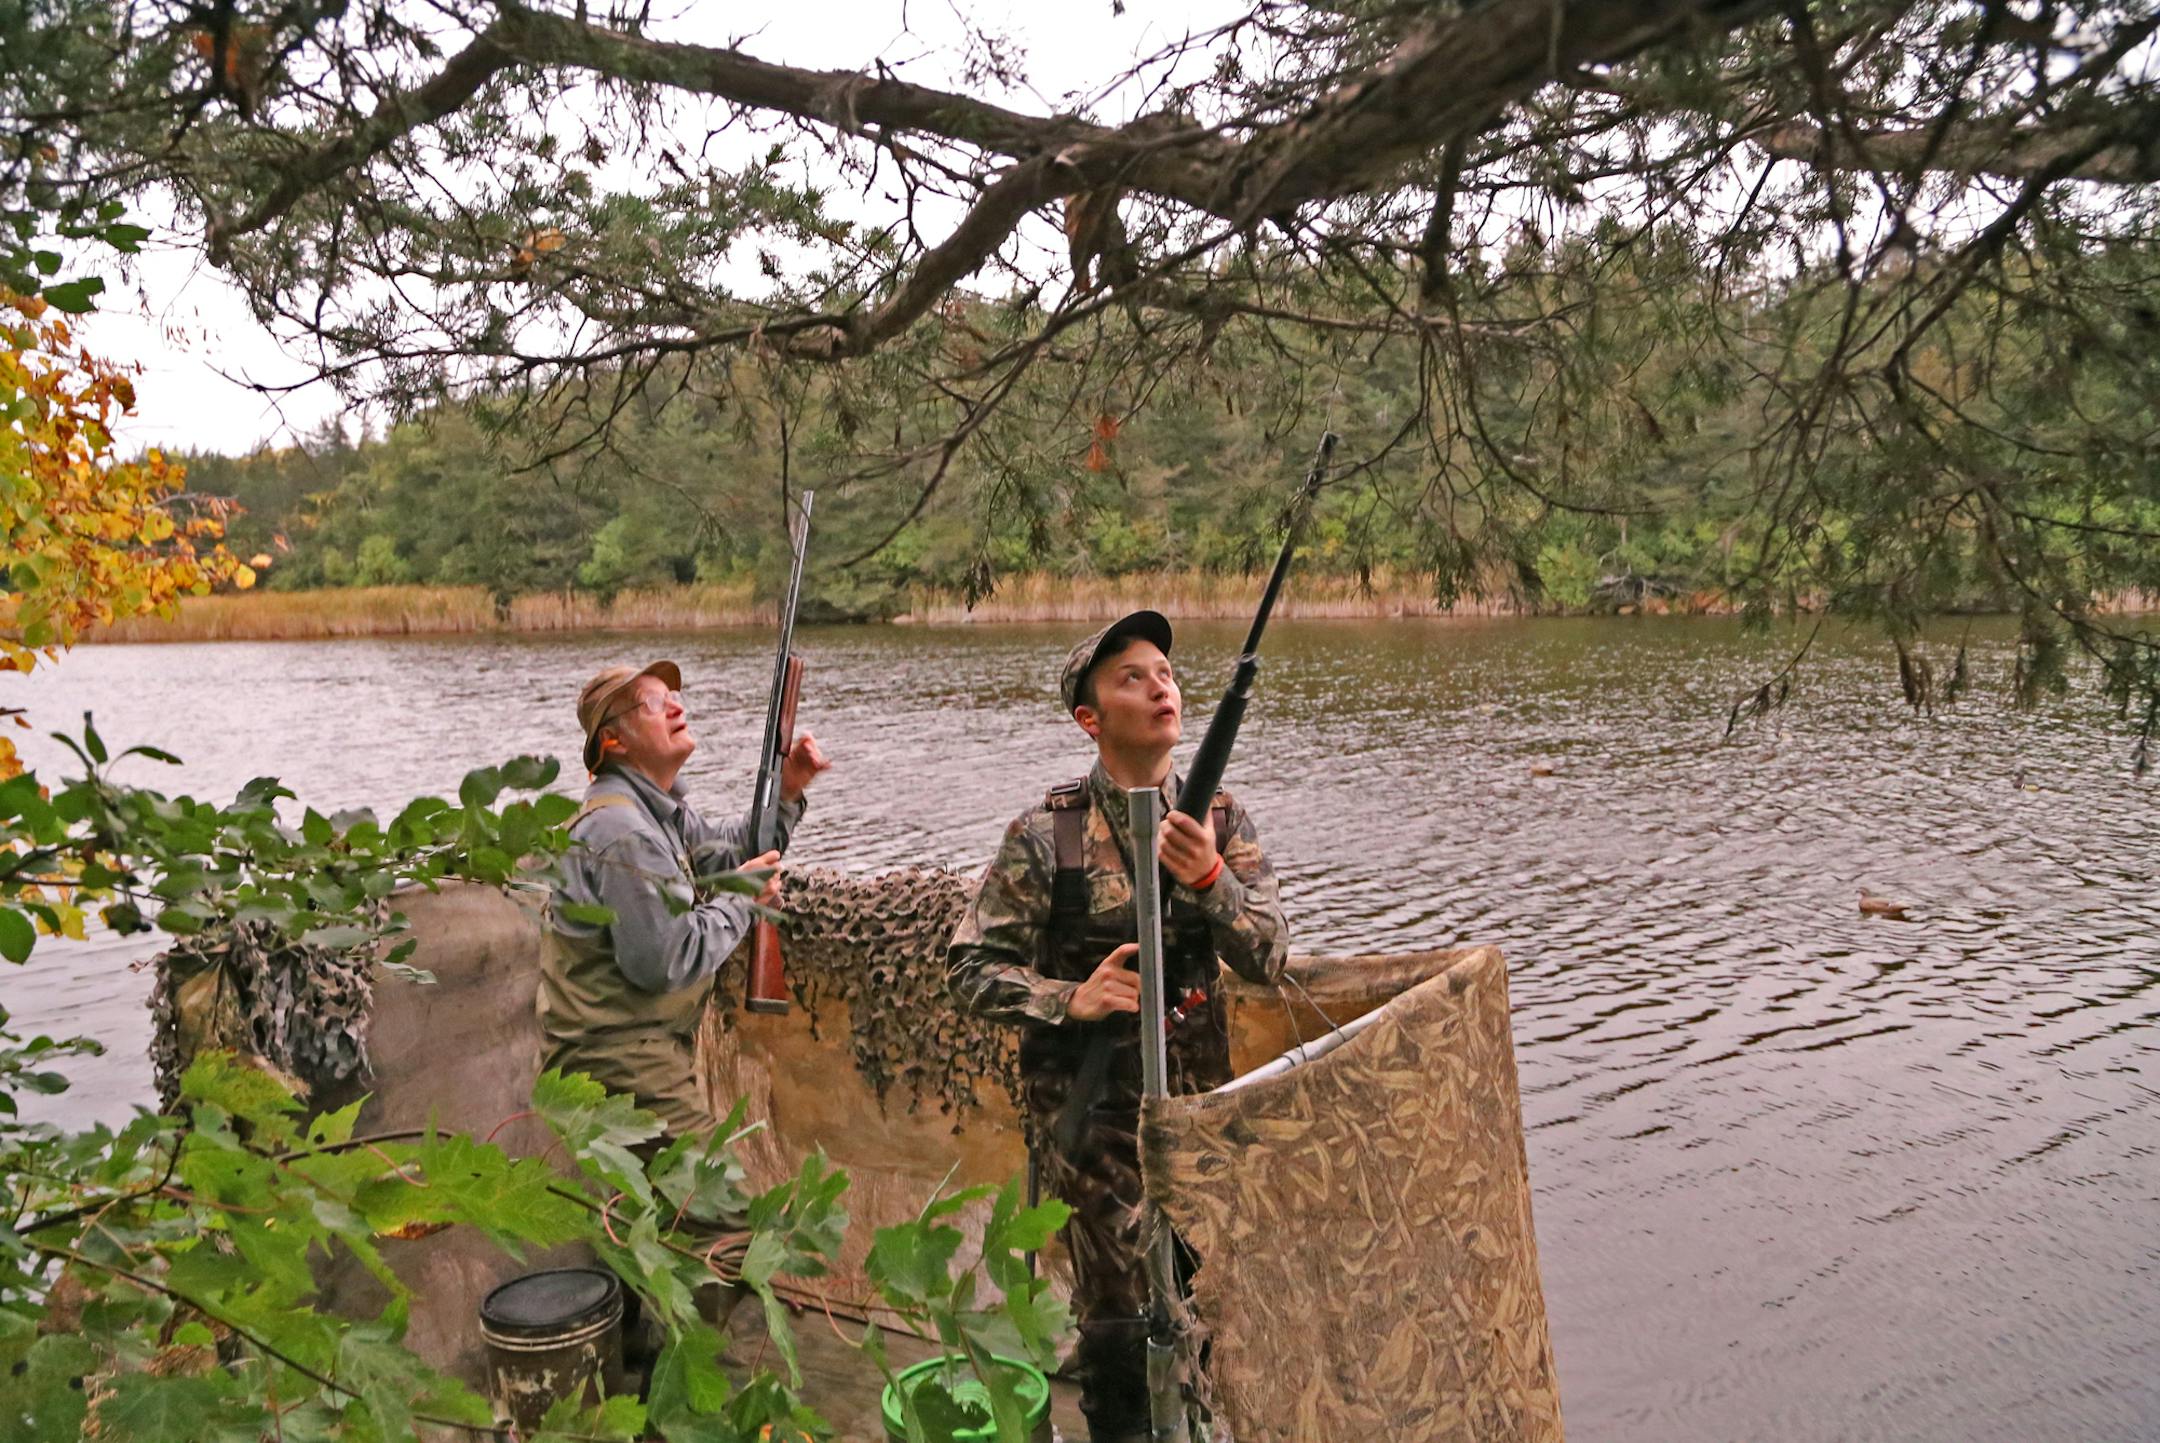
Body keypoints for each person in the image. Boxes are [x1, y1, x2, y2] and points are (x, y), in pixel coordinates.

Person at [946, 610, 1289, 1443]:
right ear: (1089, 718)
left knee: (1206, 1306)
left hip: (1200, 1116)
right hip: (1093, 1122)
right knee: (1116, 1329)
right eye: (1130, 676)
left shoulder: (1223, 821)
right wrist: (1073, 997)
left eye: (1165, 670)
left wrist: (1210, 878)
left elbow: (1271, 957)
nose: (1160, 685)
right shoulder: (1044, 833)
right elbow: (968, 970)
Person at [539, 659, 831, 1144]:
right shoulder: (622, 831)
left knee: (672, 1211)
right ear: (613, 741)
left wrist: (788, 789)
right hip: (617, 1065)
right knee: (723, 1209)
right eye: (653, 703)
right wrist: (742, 897)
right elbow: (666, 959)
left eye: (674, 696)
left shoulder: (655, 812)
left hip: (635, 1052)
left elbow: (731, 851)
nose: (676, 706)